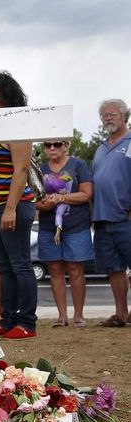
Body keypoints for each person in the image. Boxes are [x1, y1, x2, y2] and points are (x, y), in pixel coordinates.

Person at [0, 71, 38, 340]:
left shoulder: (17, 126)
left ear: (3, 94)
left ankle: (27, 322)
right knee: (4, 266)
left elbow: (20, 171)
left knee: (20, 264)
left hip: (13, 205)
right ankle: (8, 319)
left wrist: (9, 209)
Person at [35, 140, 93, 328]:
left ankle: (78, 315)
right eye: (47, 144)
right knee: (54, 270)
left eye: (57, 144)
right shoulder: (40, 168)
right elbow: (35, 199)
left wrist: (62, 197)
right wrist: (45, 204)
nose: (52, 148)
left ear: (66, 145)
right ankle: (62, 316)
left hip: (76, 226)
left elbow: (86, 194)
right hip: (48, 227)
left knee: (76, 270)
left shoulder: (78, 165)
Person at [90, 99, 131, 327]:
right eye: (104, 115)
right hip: (102, 218)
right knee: (114, 269)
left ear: (125, 116)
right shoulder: (100, 148)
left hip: (126, 217)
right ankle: (120, 314)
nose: (107, 118)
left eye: (112, 114)